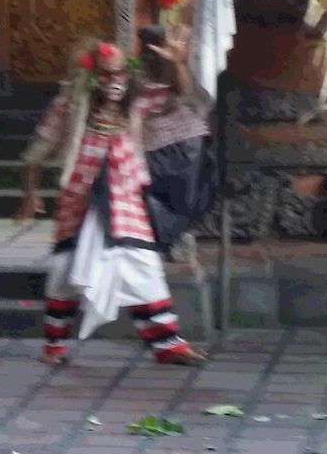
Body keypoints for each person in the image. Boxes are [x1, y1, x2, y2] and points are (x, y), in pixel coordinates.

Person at [17, 38, 207, 366]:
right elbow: (36, 153)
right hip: (79, 200)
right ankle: (54, 346)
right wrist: (30, 194)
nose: (114, 81)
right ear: (90, 76)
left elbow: (179, 93)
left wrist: (177, 62)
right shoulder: (69, 105)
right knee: (65, 271)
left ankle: (167, 345)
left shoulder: (136, 101)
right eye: (105, 74)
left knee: (142, 265)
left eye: (119, 73)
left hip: (124, 200)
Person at [138, 25, 216, 259]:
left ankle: (175, 238)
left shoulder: (173, 63)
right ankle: (173, 238)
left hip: (182, 141)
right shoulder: (138, 69)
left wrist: (177, 62)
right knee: (165, 195)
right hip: (165, 143)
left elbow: (183, 90)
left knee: (178, 197)